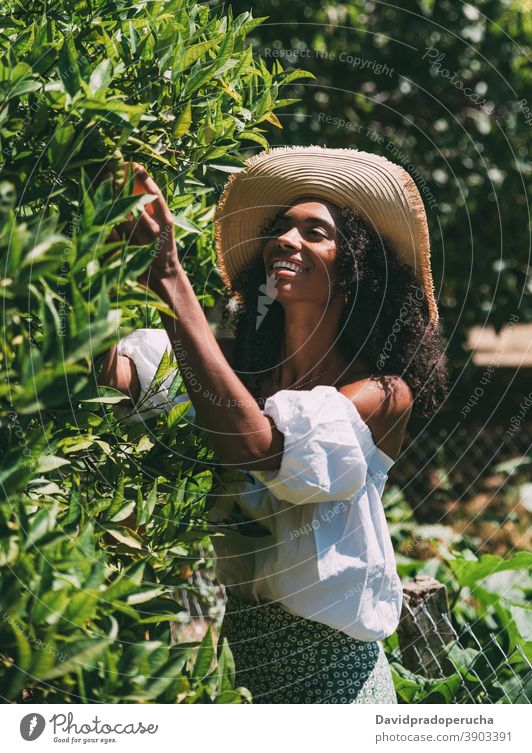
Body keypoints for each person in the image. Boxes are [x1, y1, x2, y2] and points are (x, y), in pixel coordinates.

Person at [98, 145, 448, 703]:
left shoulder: (382, 394)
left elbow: (259, 449)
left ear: (356, 265)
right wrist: (89, 256)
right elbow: (113, 377)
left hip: (334, 676)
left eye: (316, 232)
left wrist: (170, 281)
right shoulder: (237, 369)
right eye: (282, 227)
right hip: (242, 665)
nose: (287, 240)